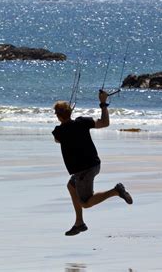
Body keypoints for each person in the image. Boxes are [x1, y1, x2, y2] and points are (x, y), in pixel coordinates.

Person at [52, 90, 133, 236]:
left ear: (58, 116)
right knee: (71, 186)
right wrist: (103, 104)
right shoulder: (82, 122)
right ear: (70, 112)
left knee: (86, 203)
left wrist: (67, 123)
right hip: (94, 164)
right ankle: (79, 223)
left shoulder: (59, 131)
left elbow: (57, 140)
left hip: (84, 170)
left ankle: (115, 191)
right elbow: (105, 123)